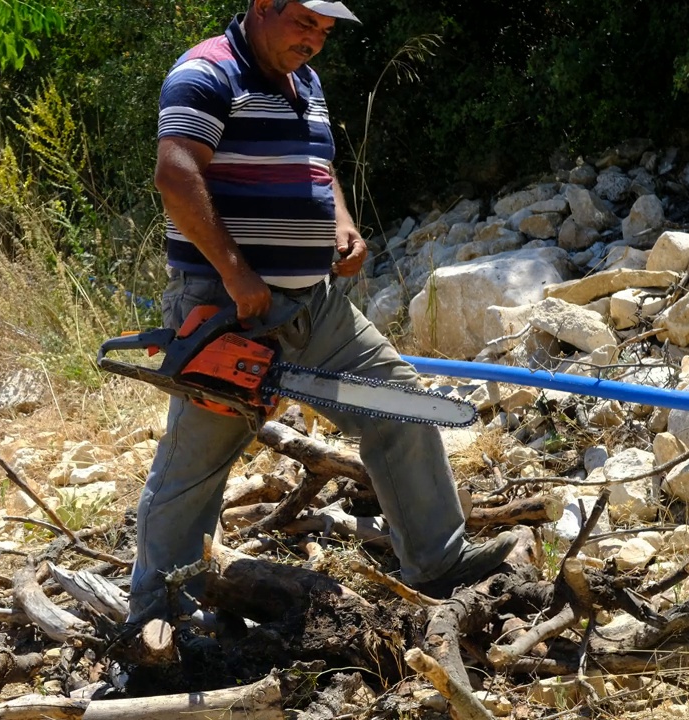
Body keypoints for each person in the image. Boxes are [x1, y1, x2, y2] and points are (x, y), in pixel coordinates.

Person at [128, 0, 515, 623]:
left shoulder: (304, 82)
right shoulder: (207, 72)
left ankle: (439, 565)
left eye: (325, 31)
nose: (314, 40)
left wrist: (341, 225)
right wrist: (235, 271)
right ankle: (159, 613)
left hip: (319, 304)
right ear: (261, 6)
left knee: (403, 407)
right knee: (196, 464)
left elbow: (319, 166)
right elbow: (176, 175)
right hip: (230, 309)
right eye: (303, 23)